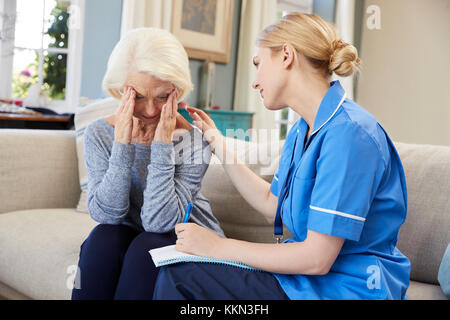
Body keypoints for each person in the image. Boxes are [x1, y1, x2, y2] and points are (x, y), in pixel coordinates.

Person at [152, 12, 411, 300]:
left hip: (350, 289)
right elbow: (271, 204)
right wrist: (218, 143)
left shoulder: (350, 135)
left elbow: (317, 258)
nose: (255, 81)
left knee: (181, 277)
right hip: (304, 283)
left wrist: (216, 247)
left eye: (258, 64)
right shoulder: (304, 128)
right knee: (178, 269)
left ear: (286, 55)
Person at [71, 28, 224, 300]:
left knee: (147, 245)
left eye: (163, 97)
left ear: (177, 90)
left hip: (189, 240)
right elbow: (107, 215)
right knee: (102, 239)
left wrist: (162, 145)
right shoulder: (99, 134)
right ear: (120, 91)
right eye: (139, 96)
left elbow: (159, 222)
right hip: (132, 239)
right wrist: (122, 145)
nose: (152, 110)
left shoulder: (194, 142)